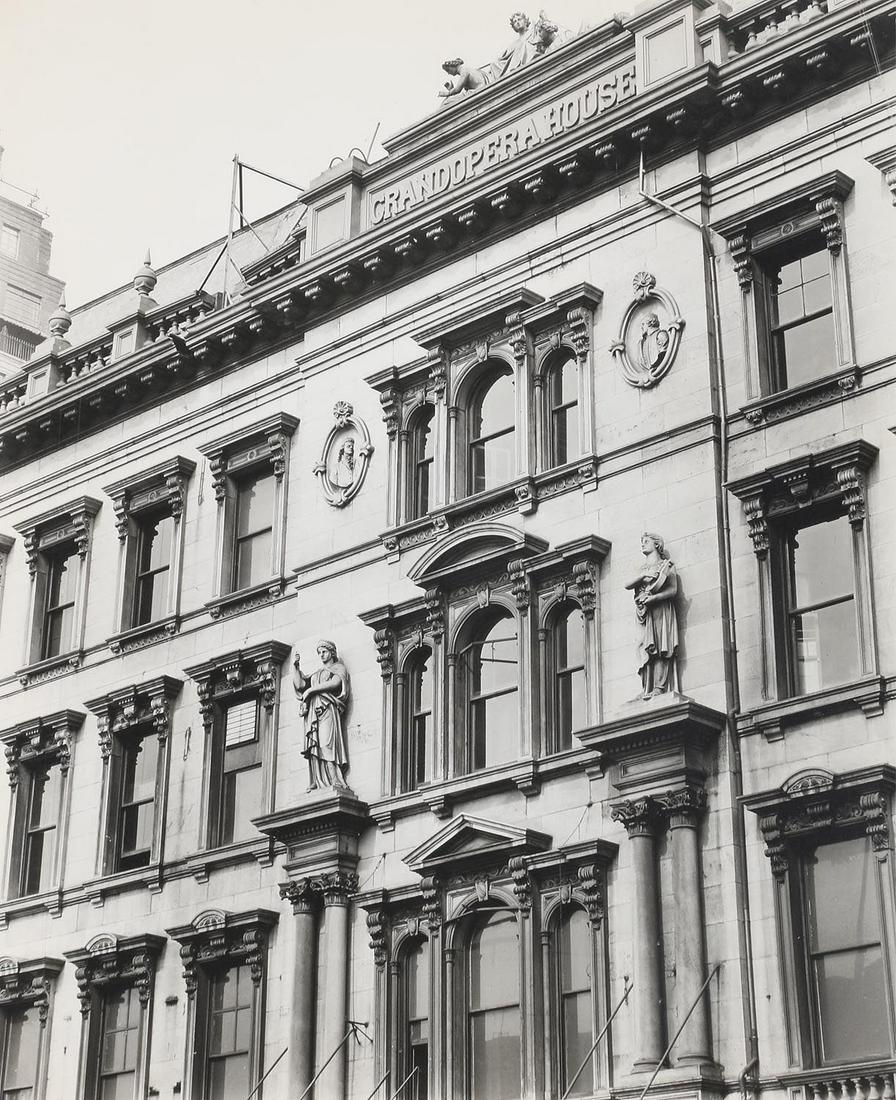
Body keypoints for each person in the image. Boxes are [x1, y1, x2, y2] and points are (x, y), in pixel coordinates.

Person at [624, 533, 679, 699]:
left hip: (661, 609)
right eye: (642, 542)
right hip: (643, 612)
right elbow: (627, 584)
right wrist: (643, 576)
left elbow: (673, 590)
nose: (643, 544)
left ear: (657, 544)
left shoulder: (667, 565)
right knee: (643, 646)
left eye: (646, 541)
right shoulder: (641, 569)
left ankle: (659, 687)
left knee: (661, 646)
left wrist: (654, 598)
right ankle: (646, 687)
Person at [294, 640, 351, 791]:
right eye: (319, 653)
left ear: (331, 652)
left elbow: (336, 683)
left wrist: (311, 690)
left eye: (324, 652)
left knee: (326, 743)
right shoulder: (317, 673)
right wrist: (296, 667)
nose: (321, 655)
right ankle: (316, 779)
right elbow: (300, 685)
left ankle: (334, 778)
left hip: (327, 709)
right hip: (313, 711)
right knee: (314, 744)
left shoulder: (338, 668)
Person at [491, 12, 535, 80]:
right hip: (513, 67)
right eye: (515, 21)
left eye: (519, 19)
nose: (517, 22)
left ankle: (514, 69)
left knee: (523, 44)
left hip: (529, 59)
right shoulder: (513, 44)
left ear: (525, 21)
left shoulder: (532, 32)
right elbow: (505, 57)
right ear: (514, 26)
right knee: (494, 64)